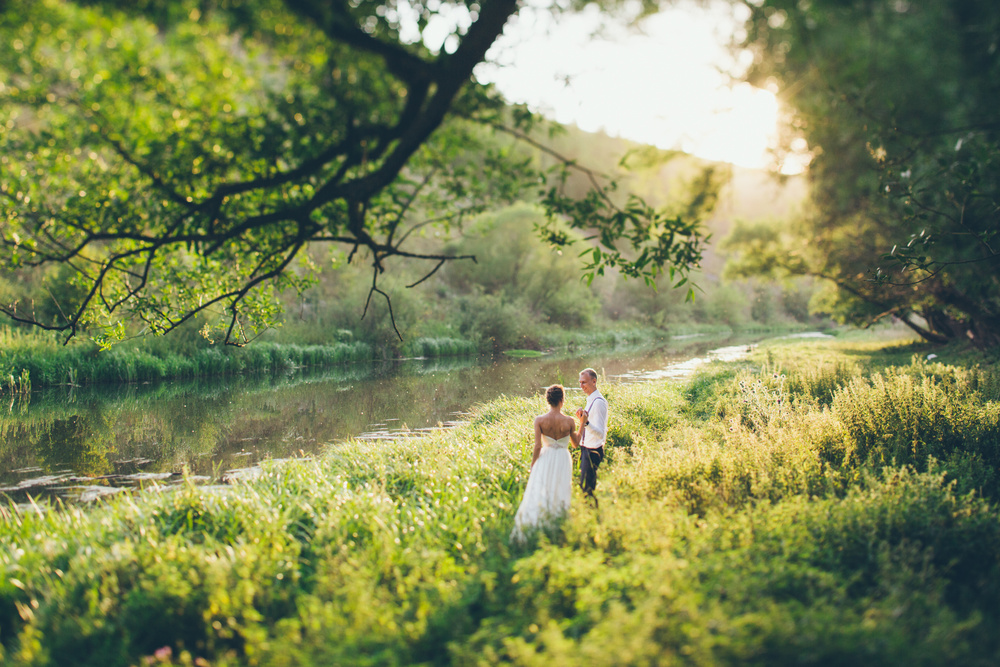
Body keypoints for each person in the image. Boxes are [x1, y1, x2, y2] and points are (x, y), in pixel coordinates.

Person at [510, 384, 582, 542]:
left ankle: (540, 523)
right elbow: (576, 444)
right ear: (562, 400)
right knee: (560, 487)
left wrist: (533, 465)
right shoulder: (569, 421)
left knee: (542, 487)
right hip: (563, 457)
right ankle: (558, 525)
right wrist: (582, 423)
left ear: (548, 400)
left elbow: (537, 446)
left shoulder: (540, 420)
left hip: (546, 456)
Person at [575, 368, 607, 507]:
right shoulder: (590, 400)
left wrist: (586, 423)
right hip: (585, 448)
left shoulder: (599, 402)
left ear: (594, 381)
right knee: (585, 487)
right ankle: (591, 514)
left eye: (584, 383)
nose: (581, 386)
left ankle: (592, 516)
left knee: (587, 489)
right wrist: (582, 419)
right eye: (580, 382)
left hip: (593, 451)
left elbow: (601, 433)